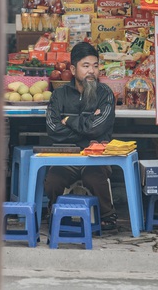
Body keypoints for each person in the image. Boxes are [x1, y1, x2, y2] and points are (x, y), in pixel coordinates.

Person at [44, 41, 118, 230]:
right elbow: (53, 129)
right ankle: (54, 214)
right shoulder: (59, 94)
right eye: (85, 66)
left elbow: (98, 129)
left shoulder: (105, 93)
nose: (91, 71)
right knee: (53, 180)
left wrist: (68, 120)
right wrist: (86, 125)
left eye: (95, 65)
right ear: (73, 69)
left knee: (95, 178)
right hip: (67, 157)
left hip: (97, 156)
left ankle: (108, 218)